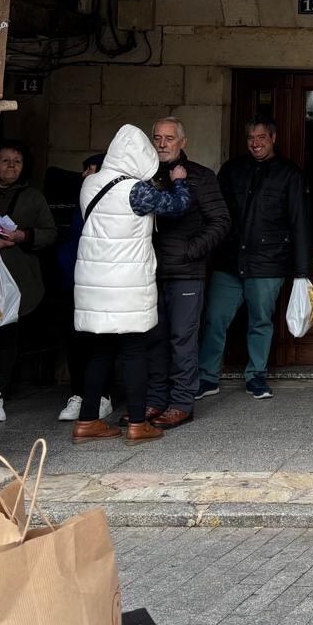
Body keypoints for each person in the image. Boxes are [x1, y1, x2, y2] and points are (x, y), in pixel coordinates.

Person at [71, 125, 191, 445]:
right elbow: (177, 207)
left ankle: (87, 421)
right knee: (135, 351)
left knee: (100, 351)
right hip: (126, 284)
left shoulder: (89, 183)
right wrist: (179, 182)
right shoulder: (136, 190)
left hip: (94, 284)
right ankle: (138, 424)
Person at [199, 116, 309, 401]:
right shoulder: (232, 170)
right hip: (229, 261)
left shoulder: (289, 174)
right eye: (250, 138)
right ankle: (207, 377)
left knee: (260, 321)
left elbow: (299, 223)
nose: (255, 143)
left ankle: (256, 376)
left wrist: (301, 271)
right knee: (214, 318)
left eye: (261, 137)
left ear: (273, 138)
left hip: (268, 262)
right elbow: (216, 216)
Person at [144, 117, 230, 429]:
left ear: (183, 142)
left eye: (169, 138)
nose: (162, 144)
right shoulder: (145, 175)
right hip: (150, 270)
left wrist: (191, 251)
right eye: (157, 138)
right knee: (155, 338)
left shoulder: (200, 177)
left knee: (182, 339)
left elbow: (221, 222)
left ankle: (181, 403)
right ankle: (155, 400)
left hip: (186, 273)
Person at [0, 142, 58, 423]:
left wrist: (24, 236)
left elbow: (50, 233)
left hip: (18, 276)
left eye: (17, 161)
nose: (11, 166)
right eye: (5, 161)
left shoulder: (33, 197)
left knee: (6, 336)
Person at [57, 153, 113, 423]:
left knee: (101, 342)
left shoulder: (114, 204)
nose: (83, 175)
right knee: (76, 340)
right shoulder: (80, 203)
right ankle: (78, 394)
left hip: (104, 282)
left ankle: (102, 396)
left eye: (89, 169)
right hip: (76, 280)